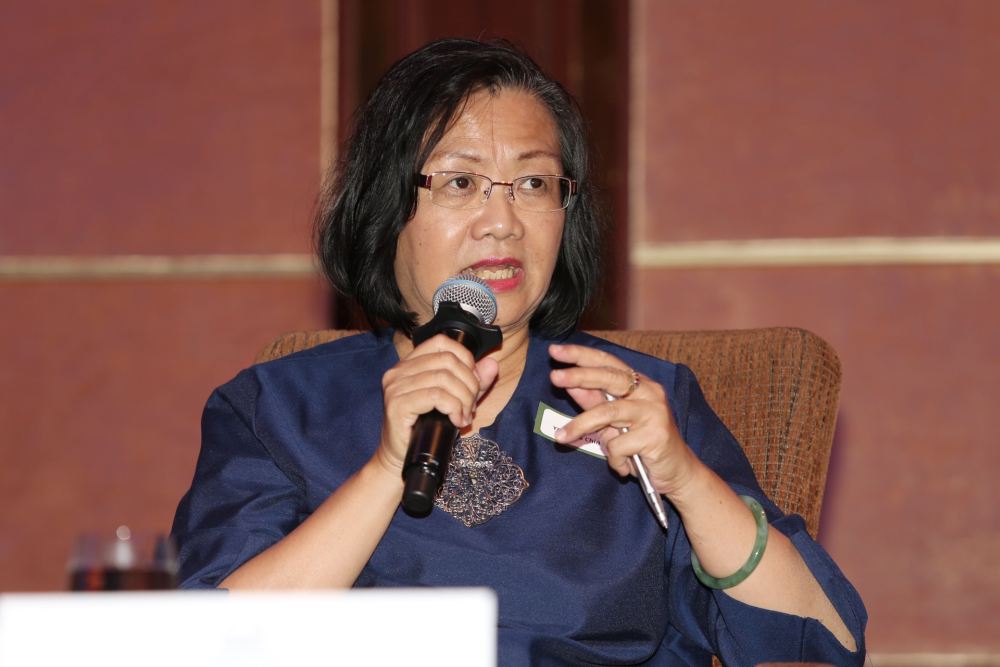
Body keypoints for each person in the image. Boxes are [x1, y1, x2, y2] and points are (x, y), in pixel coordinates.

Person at [171, 38, 867, 665]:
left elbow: (827, 636)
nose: (502, 222)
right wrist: (388, 469)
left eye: (534, 183)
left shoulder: (641, 400)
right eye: (460, 182)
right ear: (386, 204)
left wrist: (686, 479)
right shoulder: (278, 409)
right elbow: (209, 646)